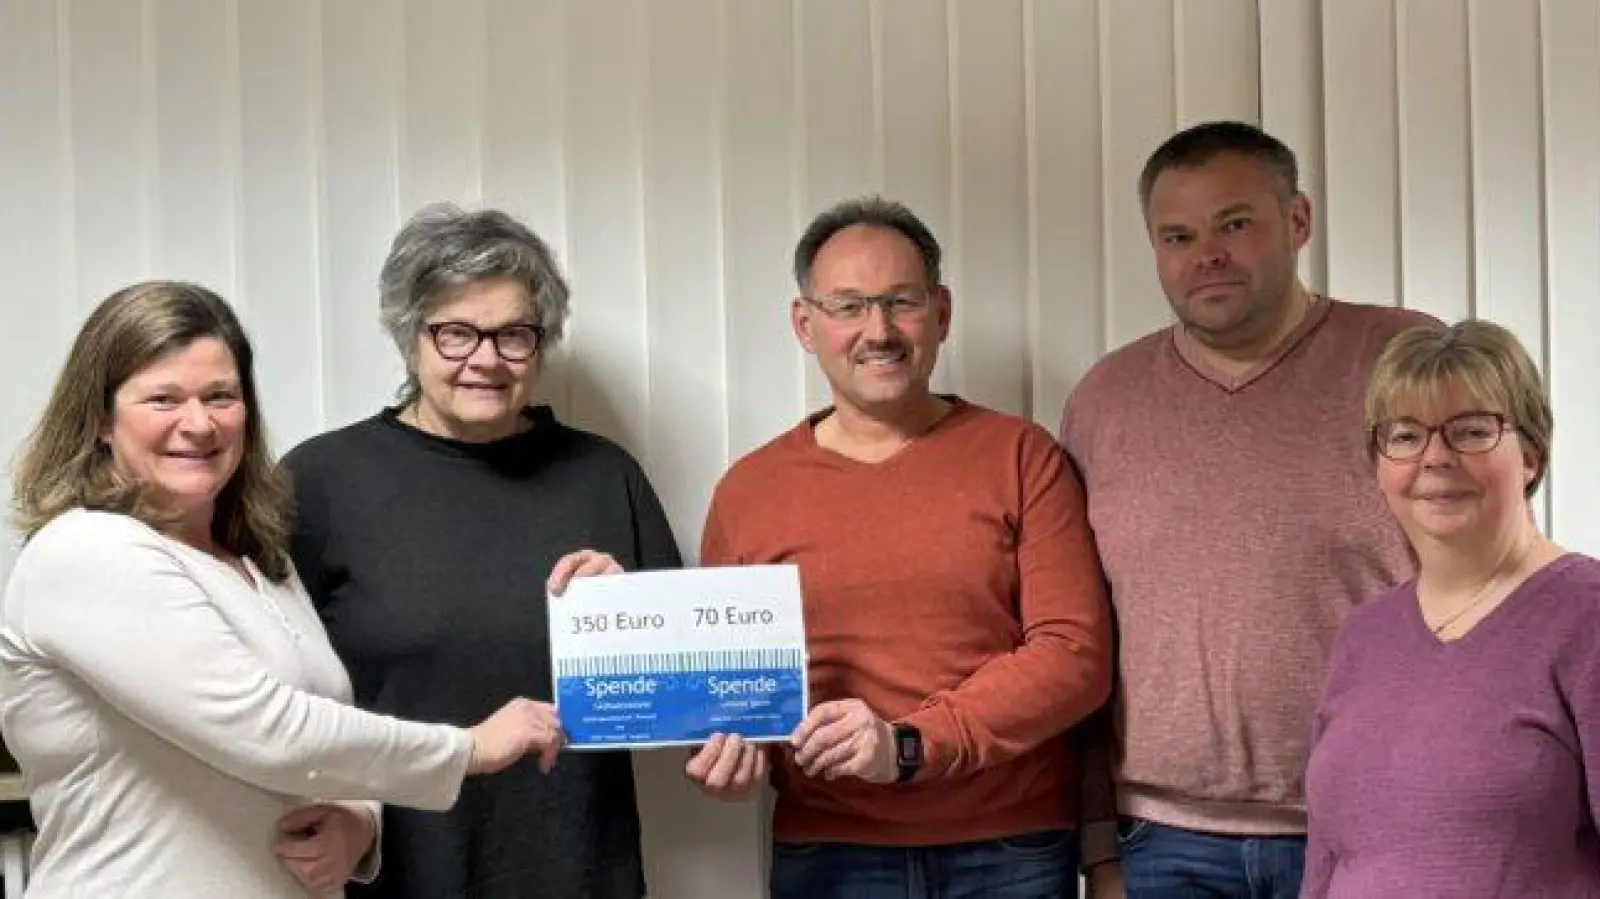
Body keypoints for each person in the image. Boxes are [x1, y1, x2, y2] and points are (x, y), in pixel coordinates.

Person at [0, 281, 574, 898]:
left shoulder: (257, 562)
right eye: (163, 398)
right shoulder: (85, 551)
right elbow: (266, 731)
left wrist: (359, 821)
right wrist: (470, 748)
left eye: (221, 396)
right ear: (100, 421)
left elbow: (329, 730)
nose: (198, 423)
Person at [685, 195, 1114, 899]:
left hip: (1008, 846)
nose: (877, 330)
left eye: (899, 302)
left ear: (940, 312)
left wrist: (908, 745)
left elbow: (1074, 655)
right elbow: (732, 690)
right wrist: (735, 753)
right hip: (829, 851)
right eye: (848, 305)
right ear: (805, 324)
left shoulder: (1020, 455)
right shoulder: (749, 491)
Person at [1059, 121, 1438, 898]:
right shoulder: (1105, 400)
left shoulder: (1403, 359)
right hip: (1162, 839)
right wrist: (1099, 848)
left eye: (1235, 223)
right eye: (1178, 234)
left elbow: (1484, 583)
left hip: (1374, 816)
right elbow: (1082, 634)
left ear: (1297, 221)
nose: (1208, 254)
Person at [281, 203, 682, 898]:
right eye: (456, 333)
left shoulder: (603, 476)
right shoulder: (319, 482)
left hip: (580, 869)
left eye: (513, 335)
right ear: (410, 338)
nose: (486, 359)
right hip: (389, 870)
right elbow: (269, 691)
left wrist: (629, 616)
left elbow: (682, 696)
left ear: (542, 341)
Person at [1302, 319, 1600, 896]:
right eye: (1407, 436)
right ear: (1380, 464)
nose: (1436, 457)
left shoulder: (1585, 615)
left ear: (1531, 456)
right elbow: (1326, 857)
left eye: (1470, 431)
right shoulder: (1364, 635)